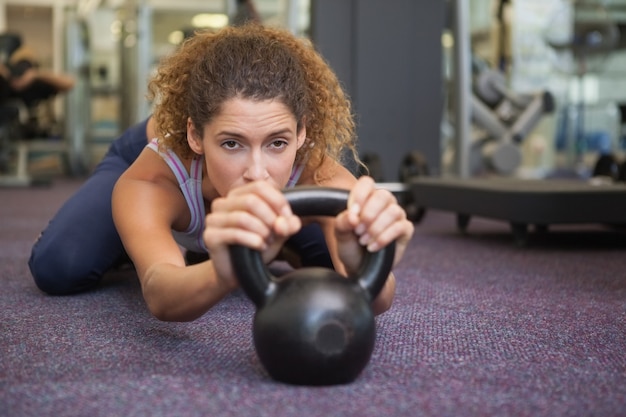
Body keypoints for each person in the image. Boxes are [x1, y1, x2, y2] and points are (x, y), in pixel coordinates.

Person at [29, 24, 414, 321]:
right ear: (196, 134)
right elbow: (160, 293)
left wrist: (365, 262)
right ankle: (146, 239)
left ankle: (283, 242)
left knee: (333, 266)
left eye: (277, 142)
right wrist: (223, 273)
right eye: (233, 144)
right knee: (60, 266)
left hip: (275, 176)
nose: (257, 173)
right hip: (153, 153)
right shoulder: (156, 177)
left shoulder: (319, 175)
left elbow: (378, 299)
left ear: (302, 133)